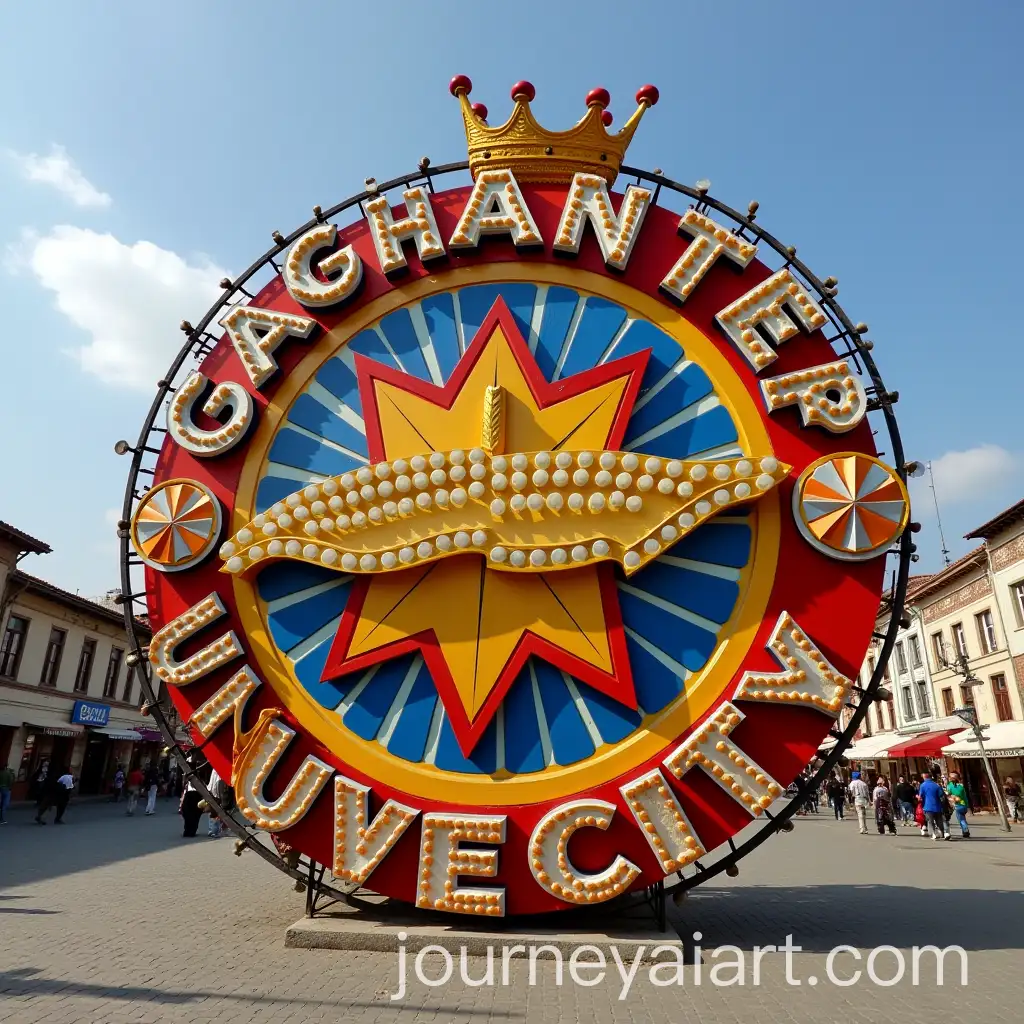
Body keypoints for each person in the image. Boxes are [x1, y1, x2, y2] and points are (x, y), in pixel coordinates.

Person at [918, 772, 950, 841]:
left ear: (925, 777)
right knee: (939, 820)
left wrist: (918, 798)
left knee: (930, 821)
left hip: (927, 806)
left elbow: (920, 797)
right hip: (937, 806)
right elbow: (941, 795)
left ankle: (934, 833)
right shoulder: (936, 785)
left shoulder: (923, 785)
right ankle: (942, 833)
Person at [946, 772, 970, 838]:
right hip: (964, 805)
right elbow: (964, 796)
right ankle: (964, 830)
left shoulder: (950, 786)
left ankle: (965, 830)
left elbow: (947, 794)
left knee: (961, 819)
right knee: (963, 818)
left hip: (958, 805)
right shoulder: (961, 786)